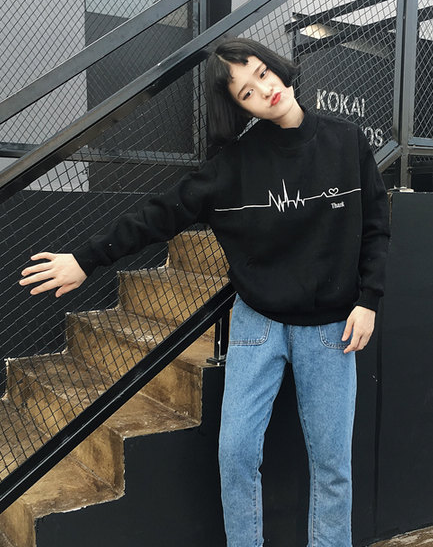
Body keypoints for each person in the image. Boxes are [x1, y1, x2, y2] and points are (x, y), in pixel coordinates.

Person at [19, 37, 390, 547]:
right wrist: (86, 259)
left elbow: (376, 227)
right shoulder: (234, 165)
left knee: (332, 466)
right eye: (246, 92)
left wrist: (369, 300)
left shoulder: (346, 141)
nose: (263, 89)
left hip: (331, 329)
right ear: (240, 108)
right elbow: (160, 214)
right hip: (259, 325)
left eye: (262, 73)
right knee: (235, 453)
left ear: (276, 67)